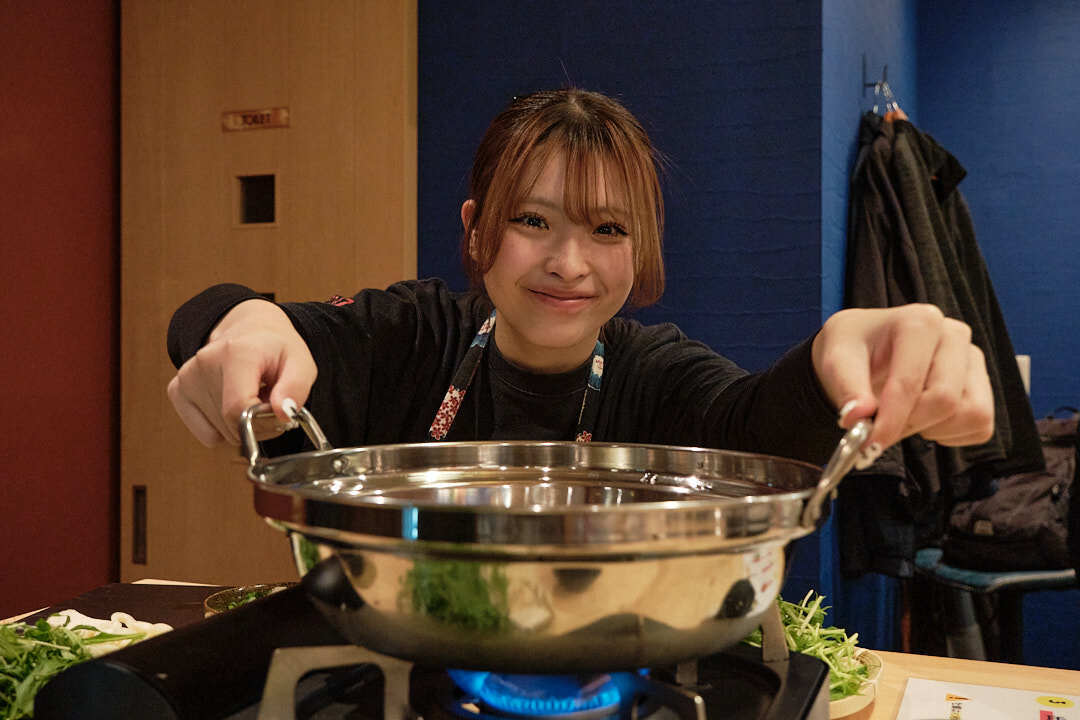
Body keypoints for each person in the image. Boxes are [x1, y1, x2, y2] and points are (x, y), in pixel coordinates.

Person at [166, 88, 994, 469]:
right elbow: (245, 324)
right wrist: (246, 324)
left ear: (641, 249)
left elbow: (754, 428)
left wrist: (838, 357)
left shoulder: (657, 375)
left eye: (607, 230)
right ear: (475, 228)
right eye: (532, 222)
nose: (569, 264)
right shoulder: (410, 336)